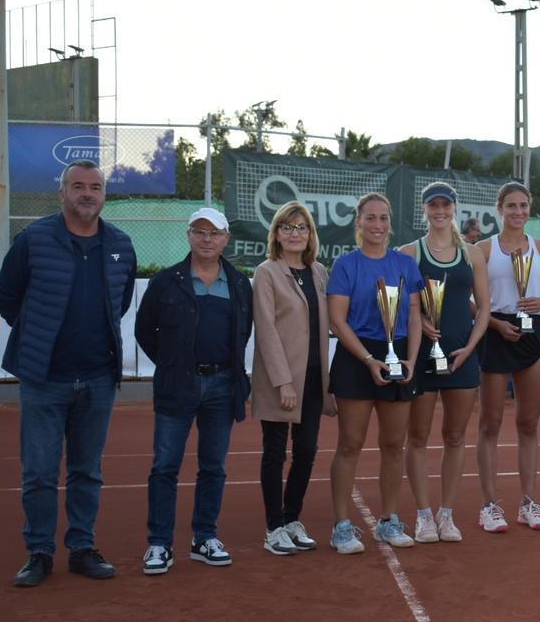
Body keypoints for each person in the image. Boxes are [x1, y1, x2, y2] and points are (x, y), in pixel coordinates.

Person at [0, 160, 136, 587]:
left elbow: (120, 299)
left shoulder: (121, 244)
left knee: (86, 470)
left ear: (103, 195)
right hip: (43, 378)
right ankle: (39, 552)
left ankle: (81, 547)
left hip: (97, 378)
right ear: (62, 193)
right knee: (38, 472)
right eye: (78, 186)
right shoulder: (34, 239)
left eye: (94, 187)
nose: (87, 193)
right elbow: (7, 296)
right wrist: (38, 335)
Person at [136, 207, 253, 574]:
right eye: (199, 232)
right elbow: (144, 331)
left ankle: (205, 537)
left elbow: (243, 332)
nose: (206, 239)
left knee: (213, 466)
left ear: (225, 239)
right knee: (165, 466)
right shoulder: (166, 281)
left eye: (214, 233)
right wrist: (173, 365)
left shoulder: (238, 284)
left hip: (223, 385)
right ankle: (159, 543)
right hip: (177, 386)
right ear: (188, 235)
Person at [326, 193, 423, 552]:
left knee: (393, 445)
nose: (377, 225)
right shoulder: (346, 265)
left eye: (383, 218)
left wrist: (411, 358)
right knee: (350, 444)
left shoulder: (405, 264)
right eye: (370, 218)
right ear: (359, 223)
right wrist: (368, 359)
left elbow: (414, 314)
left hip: (398, 356)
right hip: (357, 356)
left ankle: (389, 520)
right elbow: (337, 319)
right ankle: (341, 525)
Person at [400, 182, 490, 543]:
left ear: (454, 207)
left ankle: (447, 515)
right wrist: (417, 318)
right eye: (433, 205)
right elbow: (400, 306)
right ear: (424, 209)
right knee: (417, 437)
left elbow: (483, 307)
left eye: (445, 205)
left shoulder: (472, 255)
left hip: (461, 357)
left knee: (455, 437)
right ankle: (423, 515)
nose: (439, 211)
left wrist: (470, 347)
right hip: (422, 356)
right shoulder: (408, 253)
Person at [251, 201, 335, 556]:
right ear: (277, 234)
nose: (295, 233)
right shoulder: (267, 272)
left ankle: (291, 519)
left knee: (306, 452)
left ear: (310, 233)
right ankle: (273, 527)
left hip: (314, 380)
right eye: (287, 227)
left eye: (301, 227)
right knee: (274, 452)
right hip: (281, 380)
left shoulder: (319, 272)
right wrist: (283, 382)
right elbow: (266, 329)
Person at [475, 182, 540, 532]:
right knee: (490, 423)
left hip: (532, 333)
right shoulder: (481, 249)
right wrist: (494, 324)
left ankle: (528, 502)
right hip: (496, 333)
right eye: (511, 205)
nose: (518, 211)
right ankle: (490, 506)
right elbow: (472, 301)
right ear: (499, 209)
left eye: (523, 205)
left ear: (530, 208)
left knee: (528, 423)